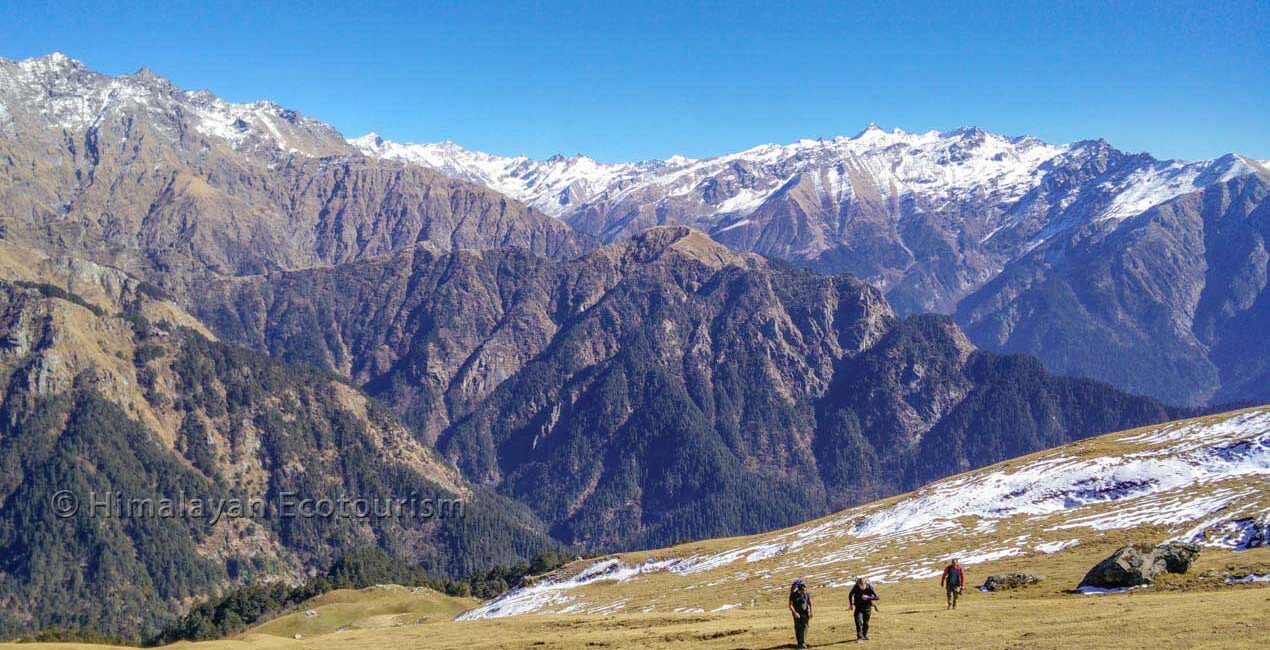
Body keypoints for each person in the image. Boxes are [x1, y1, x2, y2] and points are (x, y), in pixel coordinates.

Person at [847, 577, 879, 641]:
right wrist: (851, 604)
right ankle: (859, 637)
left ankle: (864, 635)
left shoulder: (869, 587)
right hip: (858, 607)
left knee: (866, 623)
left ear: (865, 584)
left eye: (863, 587)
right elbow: (850, 595)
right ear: (858, 584)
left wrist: (868, 597)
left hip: (867, 607)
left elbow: (877, 597)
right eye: (860, 586)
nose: (862, 588)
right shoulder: (856, 587)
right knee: (858, 622)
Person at [788, 579, 812, 648]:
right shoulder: (793, 595)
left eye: (804, 590)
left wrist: (810, 611)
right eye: (802, 590)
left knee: (805, 627)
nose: (803, 591)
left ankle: (803, 642)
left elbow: (809, 603)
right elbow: (790, 605)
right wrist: (795, 613)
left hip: (805, 613)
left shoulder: (806, 594)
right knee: (798, 628)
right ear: (799, 589)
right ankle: (800, 643)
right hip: (797, 614)